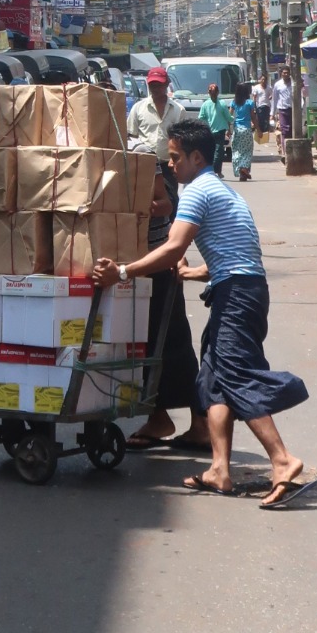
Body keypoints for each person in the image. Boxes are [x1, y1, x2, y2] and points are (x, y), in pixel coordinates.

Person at [93, 117, 307, 506]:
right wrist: (193, 273)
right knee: (213, 379)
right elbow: (234, 251)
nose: (171, 165)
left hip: (238, 295)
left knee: (236, 373)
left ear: (196, 157)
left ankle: (282, 459)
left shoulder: (195, 192)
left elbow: (173, 248)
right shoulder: (221, 191)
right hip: (244, 289)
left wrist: (122, 272)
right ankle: (220, 469)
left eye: (175, 158)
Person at [125, 165, 212, 452]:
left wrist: (140, 208)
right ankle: (158, 417)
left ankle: (200, 422)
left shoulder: (141, 155)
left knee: (173, 341)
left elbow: (167, 205)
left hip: (156, 264)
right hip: (121, 267)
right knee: (141, 345)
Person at [127, 66, 185, 162]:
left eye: (159, 85)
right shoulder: (138, 108)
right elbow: (131, 136)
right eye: (152, 85)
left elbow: (182, 141)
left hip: (169, 164)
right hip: (144, 162)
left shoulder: (179, 110)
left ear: (166, 84)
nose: (155, 88)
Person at [199, 83, 233, 174]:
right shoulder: (221, 103)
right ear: (218, 92)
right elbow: (228, 117)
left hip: (211, 131)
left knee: (215, 151)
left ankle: (217, 171)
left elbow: (201, 118)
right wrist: (235, 120)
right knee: (218, 151)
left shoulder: (205, 104)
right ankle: (214, 171)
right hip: (218, 131)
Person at [230, 83, 255, 181]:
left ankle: (242, 172)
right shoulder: (249, 103)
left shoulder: (234, 102)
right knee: (247, 151)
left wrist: (228, 129)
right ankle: (244, 168)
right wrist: (258, 129)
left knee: (237, 150)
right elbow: (253, 117)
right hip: (247, 130)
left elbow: (229, 116)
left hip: (237, 130)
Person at [271, 65, 293, 146]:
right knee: (284, 130)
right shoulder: (277, 85)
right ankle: (285, 150)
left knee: (292, 130)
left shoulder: (293, 83)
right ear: (281, 74)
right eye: (284, 73)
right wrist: (272, 114)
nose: (286, 74)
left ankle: (290, 148)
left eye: (287, 73)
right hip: (282, 110)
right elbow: (275, 99)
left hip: (293, 110)